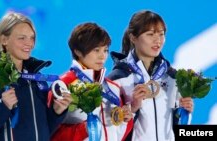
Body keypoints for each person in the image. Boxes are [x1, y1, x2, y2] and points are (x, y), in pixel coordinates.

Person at [0, 11, 72, 141]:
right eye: (22, 38)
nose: (29, 43)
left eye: (32, 37)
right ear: (4, 40)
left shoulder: (36, 79)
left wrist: (57, 111)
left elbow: (44, 131)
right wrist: (3, 106)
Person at [107, 10, 194, 141]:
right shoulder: (117, 79)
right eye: (150, 34)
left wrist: (184, 111)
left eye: (161, 34)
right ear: (133, 37)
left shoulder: (172, 77)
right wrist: (133, 108)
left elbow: (175, 126)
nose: (157, 40)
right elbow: (109, 131)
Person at [49, 22, 133, 141]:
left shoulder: (112, 87)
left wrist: (125, 121)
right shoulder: (63, 84)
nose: (102, 56)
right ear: (77, 51)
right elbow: (50, 134)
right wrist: (83, 130)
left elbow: (118, 136)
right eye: (96, 50)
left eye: (105, 50)